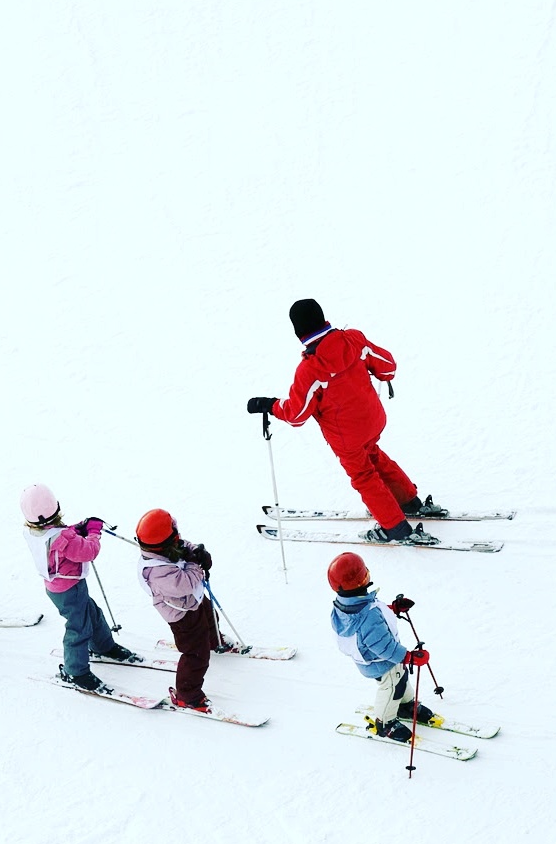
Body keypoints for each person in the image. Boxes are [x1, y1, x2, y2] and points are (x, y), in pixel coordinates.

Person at [246, 298, 445, 543]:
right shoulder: (354, 339)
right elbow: (388, 367)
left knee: (364, 475)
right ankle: (409, 501)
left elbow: (296, 415)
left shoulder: (310, 370)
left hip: (347, 437)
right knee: (373, 455)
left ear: (298, 332)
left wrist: (269, 404)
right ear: (323, 318)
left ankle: (394, 528)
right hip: (373, 420)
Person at [19, 483, 139, 691]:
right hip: (68, 589)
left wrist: (76, 529)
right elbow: (88, 551)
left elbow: (58, 535)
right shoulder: (64, 539)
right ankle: (76, 671)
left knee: (91, 614)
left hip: (59, 587)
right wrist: (93, 532)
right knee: (79, 627)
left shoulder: (35, 532)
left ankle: (104, 646)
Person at [328, 550, 434, 741]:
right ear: (362, 579)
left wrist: (392, 609)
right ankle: (385, 723)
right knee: (392, 686)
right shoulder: (368, 615)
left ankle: (405, 705)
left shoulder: (347, 605)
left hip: (371, 658)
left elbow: (372, 622)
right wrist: (408, 657)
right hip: (382, 661)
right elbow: (382, 644)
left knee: (400, 679)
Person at [134, 508, 221, 712]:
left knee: (211, 617)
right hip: (181, 615)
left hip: (194, 601)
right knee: (195, 654)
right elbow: (187, 583)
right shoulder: (156, 572)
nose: (179, 539)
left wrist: (196, 551)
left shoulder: (164, 547)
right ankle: (187, 695)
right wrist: (195, 563)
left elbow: (183, 546)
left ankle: (214, 640)